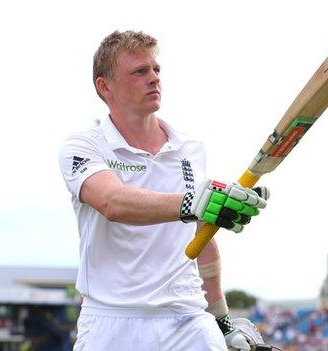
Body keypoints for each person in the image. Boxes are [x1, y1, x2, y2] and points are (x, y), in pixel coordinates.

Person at [58, 30, 269, 350]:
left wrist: (222, 320)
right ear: (105, 86)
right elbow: (112, 202)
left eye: (156, 70)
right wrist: (194, 202)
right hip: (112, 320)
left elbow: (203, 238)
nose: (153, 79)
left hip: (187, 318)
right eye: (140, 71)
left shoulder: (191, 148)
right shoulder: (84, 146)